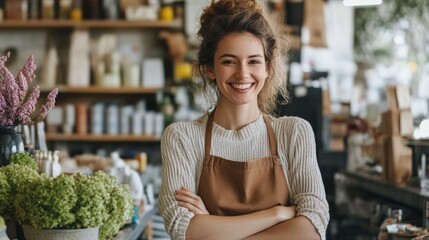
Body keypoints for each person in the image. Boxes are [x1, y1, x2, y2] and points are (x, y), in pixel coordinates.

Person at [158, 0, 329, 239]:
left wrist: (211, 227)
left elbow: (313, 227)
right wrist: (277, 215)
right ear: (209, 68)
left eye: (254, 61)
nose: (243, 73)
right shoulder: (182, 137)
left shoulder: (294, 133)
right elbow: (181, 228)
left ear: (268, 67)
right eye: (229, 61)